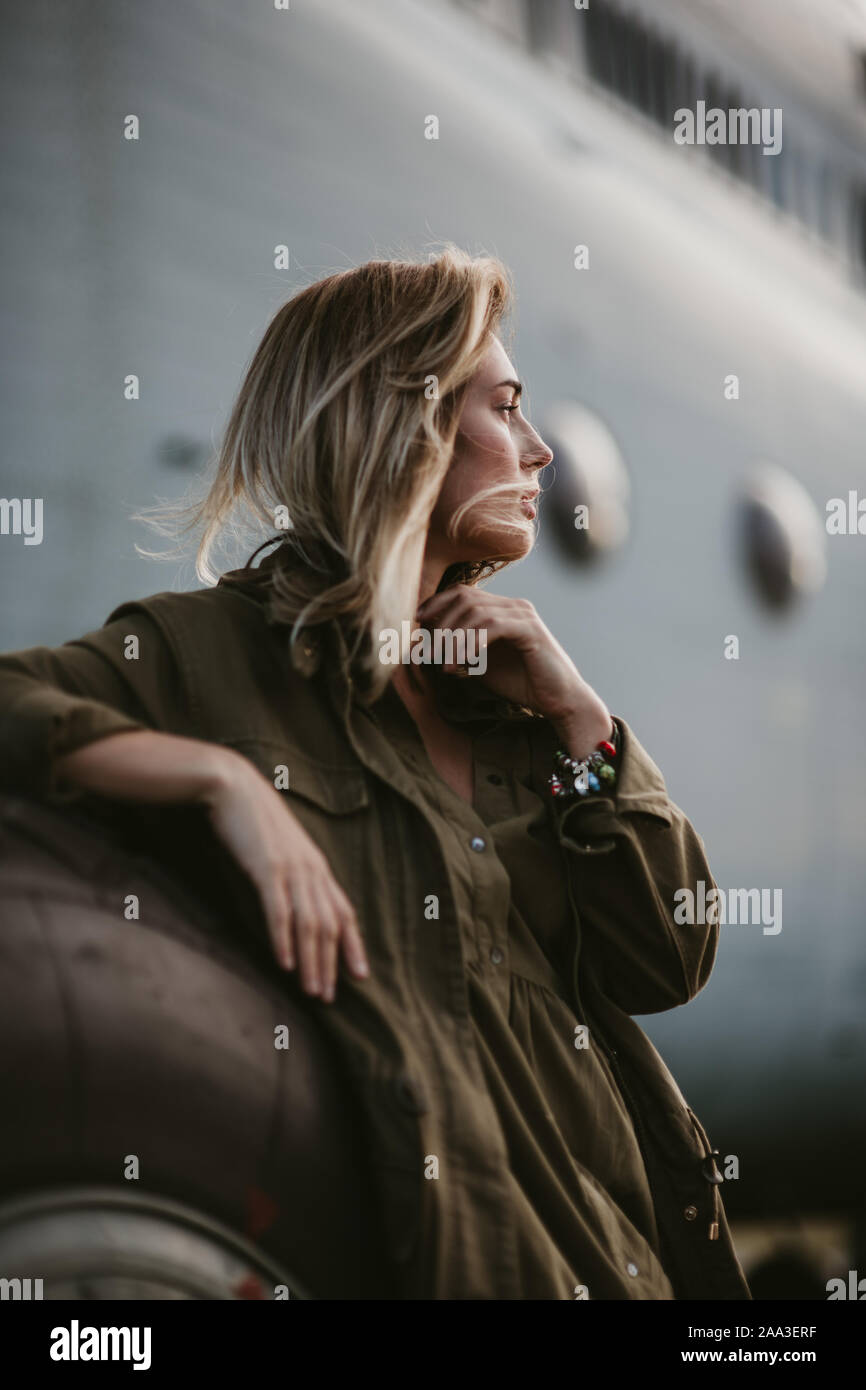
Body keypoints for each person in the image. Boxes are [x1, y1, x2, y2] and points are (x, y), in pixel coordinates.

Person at [0, 245, 751, 1300]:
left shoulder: (507, 694)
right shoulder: (206, 653)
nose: (538, 451)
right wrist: (224, 786)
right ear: (404, 421)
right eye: (504, 407)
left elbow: (666, 957)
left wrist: (582, 716)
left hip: (628, 1261)